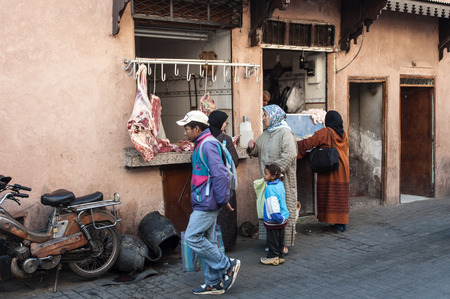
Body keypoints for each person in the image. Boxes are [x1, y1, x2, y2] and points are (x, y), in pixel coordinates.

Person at [176, 110, 241, 295]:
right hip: (204, 201)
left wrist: (223, 200)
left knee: (192, 237)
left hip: (207, 203)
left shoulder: (207, 145)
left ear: (197, 128)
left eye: (187, 128)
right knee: (209, 242)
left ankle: (227, 265)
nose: (185, 132)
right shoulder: (202, 144)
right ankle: (214, 283)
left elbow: (219, 175)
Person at [247, 104, 298, 252]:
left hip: (283, 181)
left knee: (282, 209)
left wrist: (273, 172)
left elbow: (290, 155)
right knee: (269, 210)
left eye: (265, 115)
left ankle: (284, 244)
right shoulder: (265, 134)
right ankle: (272, 243)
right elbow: (257, 150)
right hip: (268, 182)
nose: (263, 119)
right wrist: (251, 147)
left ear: (274, 116)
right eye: (263, 115)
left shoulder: (285, 134)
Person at [296, 110, 350, 232]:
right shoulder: (343, 134)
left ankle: (337, 224)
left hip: (331, 167)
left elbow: (309, 142)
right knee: (340, 193)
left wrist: (293, 145)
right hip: (342, 165)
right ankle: (341, 222)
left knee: (331, 192)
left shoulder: (326, 132)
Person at [208, 110, 239, 251]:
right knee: (227, 213)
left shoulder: (204, 138)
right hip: (225, 183)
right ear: (219, 123)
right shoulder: (225, 139)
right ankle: (227, 243)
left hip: (208, 184)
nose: (226, 123)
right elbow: (234, 161)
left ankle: (214, 243)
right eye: (225, 121)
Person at [260, 163, 289, 266]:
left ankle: (273, 257)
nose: (264, 175)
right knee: (281, 239)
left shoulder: (270, 189)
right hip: (283, 217)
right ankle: (280, 256)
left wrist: (277, 218)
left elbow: (273, 206)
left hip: (274, 219)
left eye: (266, 174)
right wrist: (281, 218)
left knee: (272, 240)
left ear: (273, 176)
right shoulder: (280, 184)